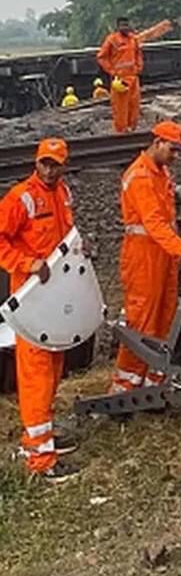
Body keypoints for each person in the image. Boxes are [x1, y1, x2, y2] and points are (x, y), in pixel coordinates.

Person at [0, 138, 80, 482]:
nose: (48, 169)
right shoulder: (22, 198)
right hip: (32, 296)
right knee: (36, 374)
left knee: (52, 366)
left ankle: (41, 437)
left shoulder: (61, 194)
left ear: (63, 165)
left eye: (54, 164)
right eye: (44, 163)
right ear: (37, 163)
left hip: (54, 294)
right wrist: (27, 263)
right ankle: (40, 460)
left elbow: (65, 235)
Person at [111, 121, 181, 392]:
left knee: (164, 317)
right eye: (173, 150)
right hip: (144, 257)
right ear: (158, 142)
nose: (175, 156)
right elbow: (153, 224)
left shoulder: (159, 173)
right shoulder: (141, 176)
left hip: (161, 255)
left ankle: (154, 379)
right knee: (142, 321)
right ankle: (125, 385)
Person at [96, 17, 144, 133]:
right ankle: (121, 132)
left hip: (133, 78)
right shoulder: (112, 40)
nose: (125, 28)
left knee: (134, 106)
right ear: (117, 27)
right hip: (120, 80)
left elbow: (138, 54)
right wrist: (112, 71)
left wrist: (138, 67)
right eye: (122, 25)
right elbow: (101, 57)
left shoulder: (133, 39)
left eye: (126, 25)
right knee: (120, 108)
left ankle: (132, 128)